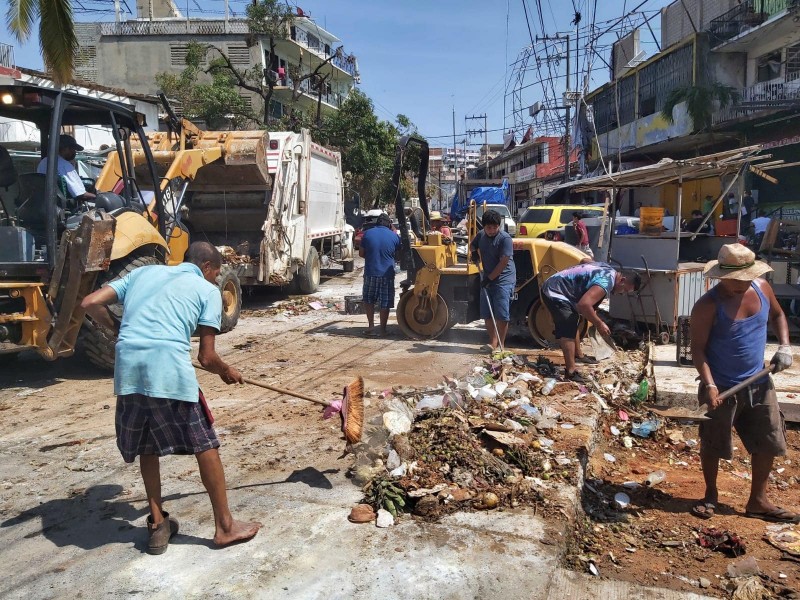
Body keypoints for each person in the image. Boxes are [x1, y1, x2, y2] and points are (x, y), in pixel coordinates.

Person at [80, 242, 261, 554]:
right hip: (168, 371)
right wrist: (226, 370)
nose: (214, 281)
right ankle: (226, 527)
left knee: (147, 447)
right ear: (207, 267)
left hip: (129, 370)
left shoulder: (142, 273)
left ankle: (157, 524)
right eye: (216, 275)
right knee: (205, 444)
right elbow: (207, 357)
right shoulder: (207, 291)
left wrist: (116, 328)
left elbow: (90, 302)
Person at [689, 243, 795, 522]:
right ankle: (711, 495)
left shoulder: (762, 288)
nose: (740, 284)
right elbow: (697, 349)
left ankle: (758, 501)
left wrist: (785, 346)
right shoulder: (707, 306)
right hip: (721, 386)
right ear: (721, 275)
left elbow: (778, 315)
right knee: (714, 443)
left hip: (759, 383)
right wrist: (710, 385)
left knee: (767, 441)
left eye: (745, 278)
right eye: (734, 279)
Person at [541, 262, 640, 383]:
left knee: (574, 318)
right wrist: (599, 323)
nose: (621, 293)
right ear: (622, 280)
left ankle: (578, 354)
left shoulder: (608, 269)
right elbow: (584, 305)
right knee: (568, 324)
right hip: (555, 290)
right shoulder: (606, 282)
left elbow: (584, 260)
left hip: (559, 285)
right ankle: (571, 372)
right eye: (624, 290)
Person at [470, 209, 516, 353]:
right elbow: (473, 244)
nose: (491, 230)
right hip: (487, 277)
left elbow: (504, 262)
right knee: (487, 312)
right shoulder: (481, 235)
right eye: (488, 227)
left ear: (499, 226)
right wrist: (473, 253)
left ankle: (501, 346)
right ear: (483, 226)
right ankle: (492, 343)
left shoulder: (505, 239)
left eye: (494, 227)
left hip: (503, 279)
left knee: (501, 314)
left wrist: (490, 279)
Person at [359, 212, 401, 336]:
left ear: (377, 223)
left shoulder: (367, 234)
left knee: (369, 299)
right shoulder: (394, 236)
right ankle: (383, 329)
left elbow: (361, 253)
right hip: (386, 275)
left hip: (371, 273)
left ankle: (371, 326)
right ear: (389, 224)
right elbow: (398, 255)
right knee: (385, 302)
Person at [37, 134, 95, 201]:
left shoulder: (43, 162)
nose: (74, 152)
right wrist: (97, 196)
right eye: (73, 149)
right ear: (65, 148)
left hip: (45, 201)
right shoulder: (65, 165)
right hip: (61, 206)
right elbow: (80, 194)